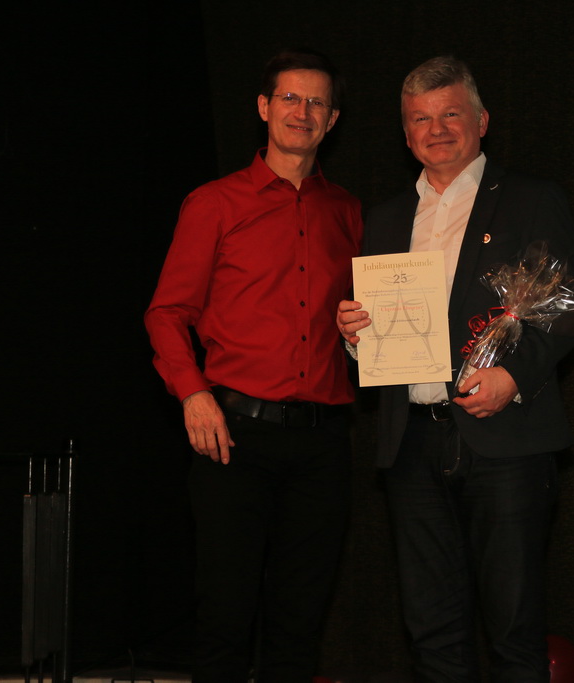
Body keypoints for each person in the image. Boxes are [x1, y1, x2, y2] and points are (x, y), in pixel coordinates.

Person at [336, 56, 574, 683]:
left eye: (451, 113)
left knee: (515, 632)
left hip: (505, 442)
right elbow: (380, 330)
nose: (437, 129)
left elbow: (569, 308)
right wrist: (355, 336)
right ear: (406, 134)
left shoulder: (530, 199)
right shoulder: (387, 218)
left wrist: (514, 377)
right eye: (421, 119)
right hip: (412, 443)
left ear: (482, 121)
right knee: (432, 635)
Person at [145, 48, 362, 683]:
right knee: (225, 618)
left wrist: (361, 333)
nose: (303, 111)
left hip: (323, 445)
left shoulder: (348, 212)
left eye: (317, 102)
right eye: (290, 98)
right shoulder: (214, 203)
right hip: (234, 439)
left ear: (332, 119)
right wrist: (193, 394)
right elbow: (167, 312)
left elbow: (357, 320)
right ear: (264, 108)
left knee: (300, 625)